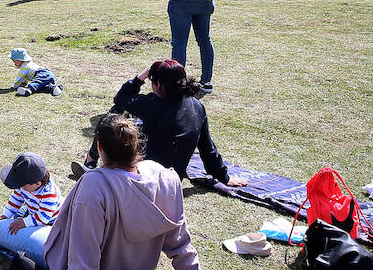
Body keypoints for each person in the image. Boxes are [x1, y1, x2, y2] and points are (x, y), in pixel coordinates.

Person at [35, 113, 235, 270]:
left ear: (100, 148)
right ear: (134, 144)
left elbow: (84, 252)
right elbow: (178, 238)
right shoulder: (165, 177)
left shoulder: (94, 185)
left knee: (6, 231)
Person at [76, 59, 248, 188]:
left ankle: (91, 162)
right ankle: (91, 163)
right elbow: (207, 147)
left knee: (110, 121)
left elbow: (120, 99)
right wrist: (224, 177)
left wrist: (139, 78)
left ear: (157, 84)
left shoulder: (150, 104)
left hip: (143, 179)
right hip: (173, 181)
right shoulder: (197, 106)